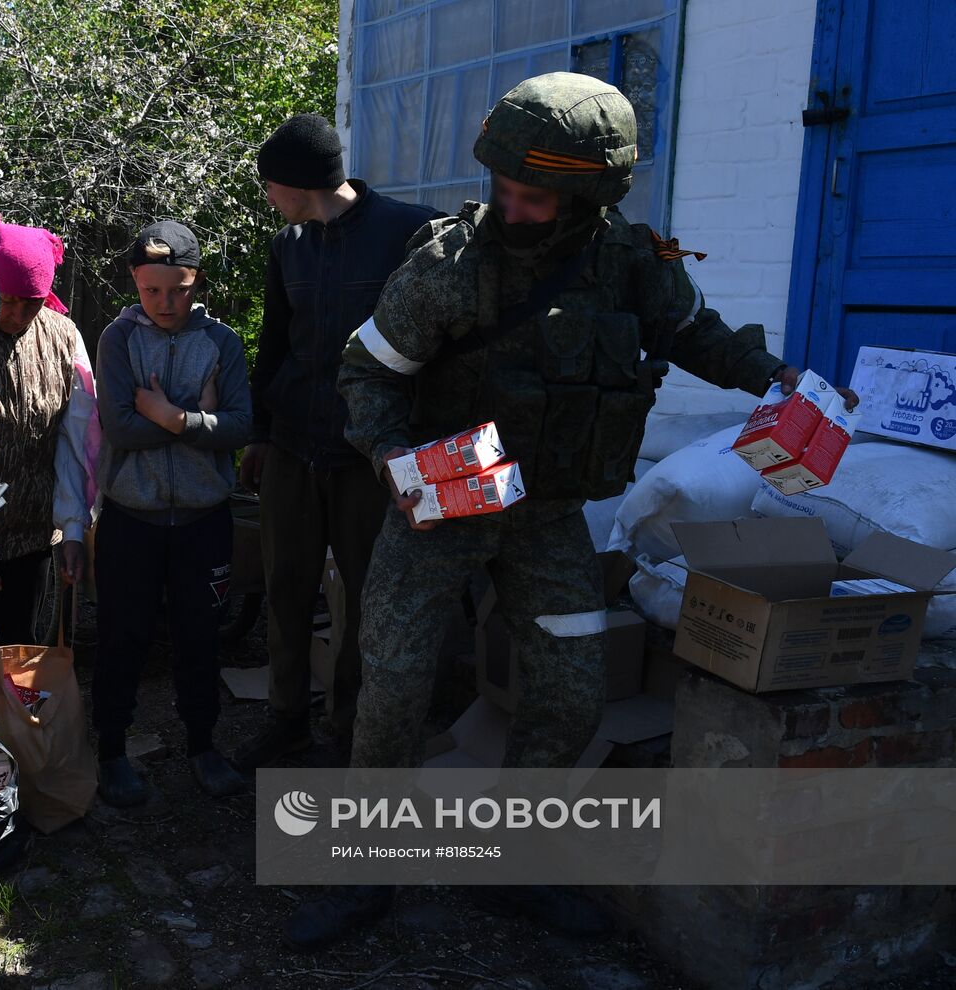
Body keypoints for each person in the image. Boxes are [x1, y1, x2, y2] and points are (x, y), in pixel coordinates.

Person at [285, 71, 860, 949]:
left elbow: (690, 333)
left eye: (537, 198)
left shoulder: (631, 261)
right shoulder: (448, 266)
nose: (513, 210)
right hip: (445, 501)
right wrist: (397, 462)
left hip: (547, 513)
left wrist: (771, 376)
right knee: (394, 683)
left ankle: (520, 865)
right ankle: (364, 870)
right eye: (505, 190)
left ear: (592, 198)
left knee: (569, 693)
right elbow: (367, 374)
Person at [233, 113, 437, 771]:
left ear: (297, 182)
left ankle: (351, 731)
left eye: (270, 185)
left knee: (363, 603)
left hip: (368, 459)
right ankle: (285, 720)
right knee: (286, 591)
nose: (268, 198)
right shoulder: (288, 246)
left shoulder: (408, 233)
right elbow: (275, 349)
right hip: (294, 447)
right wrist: (262, 434)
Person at [91, 220, 253, 807]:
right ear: (135, 282)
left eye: (178, 289)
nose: (165, 303)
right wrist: (198, 420)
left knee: (200, 636)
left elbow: (241, 424)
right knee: (122, 636)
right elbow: (120, 429)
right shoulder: (117, 340)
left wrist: (169, 415)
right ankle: (111, 749)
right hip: (131, 517)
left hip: (203, 521)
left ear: (197, 281)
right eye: (151, 290)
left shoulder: (223, 343)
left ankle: (203, 746)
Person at [0, 216, 98, 669]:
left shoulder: (63, 336)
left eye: (29, 304)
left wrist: (73, 530)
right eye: (6, 301)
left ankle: (18, 741)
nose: (15, 315)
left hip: (32, 534)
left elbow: (76, 440)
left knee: (23, 659)